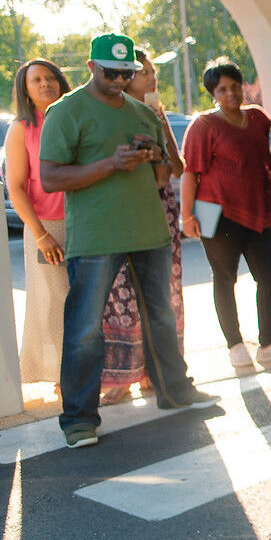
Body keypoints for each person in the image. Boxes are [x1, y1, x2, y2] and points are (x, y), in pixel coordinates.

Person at [40, 33, 217, 448]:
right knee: (85, 329)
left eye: (127, 73)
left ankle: (175, 391)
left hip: (149, 231)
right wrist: (110, 163)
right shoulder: (65, 111)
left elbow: (163, 177)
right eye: (112, 73)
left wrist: (155, 156)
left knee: (162, 317)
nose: (121, 80)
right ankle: (79, 419)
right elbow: (50, 177)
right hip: (96, 237)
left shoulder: (142, 112)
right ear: (91, 68)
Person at [181, 58, 271, 370]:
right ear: (213, 94)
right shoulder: (203, 125)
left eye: (235, 86)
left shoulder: (258, 117)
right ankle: (235, 346)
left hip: (259, 209)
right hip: (214, 211)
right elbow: (190, 172)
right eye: (222, 89)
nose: (230, 94)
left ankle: (268, 343)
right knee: (224, 278)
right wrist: (187, 216)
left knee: (268, 277)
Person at [98, 48, 187, 404]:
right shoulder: (110, 113)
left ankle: (159, 373)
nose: (152, 77)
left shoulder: (157, 113)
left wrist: (160, 125)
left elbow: (177, 168)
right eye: (144, 72)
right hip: (121, 214)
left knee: (163, 294)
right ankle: (120, 376)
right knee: (120, 295)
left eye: (153, 72)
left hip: (161, 211)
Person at [5, 59, 71, 384]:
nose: (45, 84)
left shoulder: (74, 116)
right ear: (26, 90)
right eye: (37, 80)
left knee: (90, 300)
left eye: (50, 77)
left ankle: (98, 373)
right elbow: (16, 188)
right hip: (46, 227)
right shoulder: (21, 128)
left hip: (85, 221)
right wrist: (41, 234)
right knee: (54, 301)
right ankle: (61, 377)